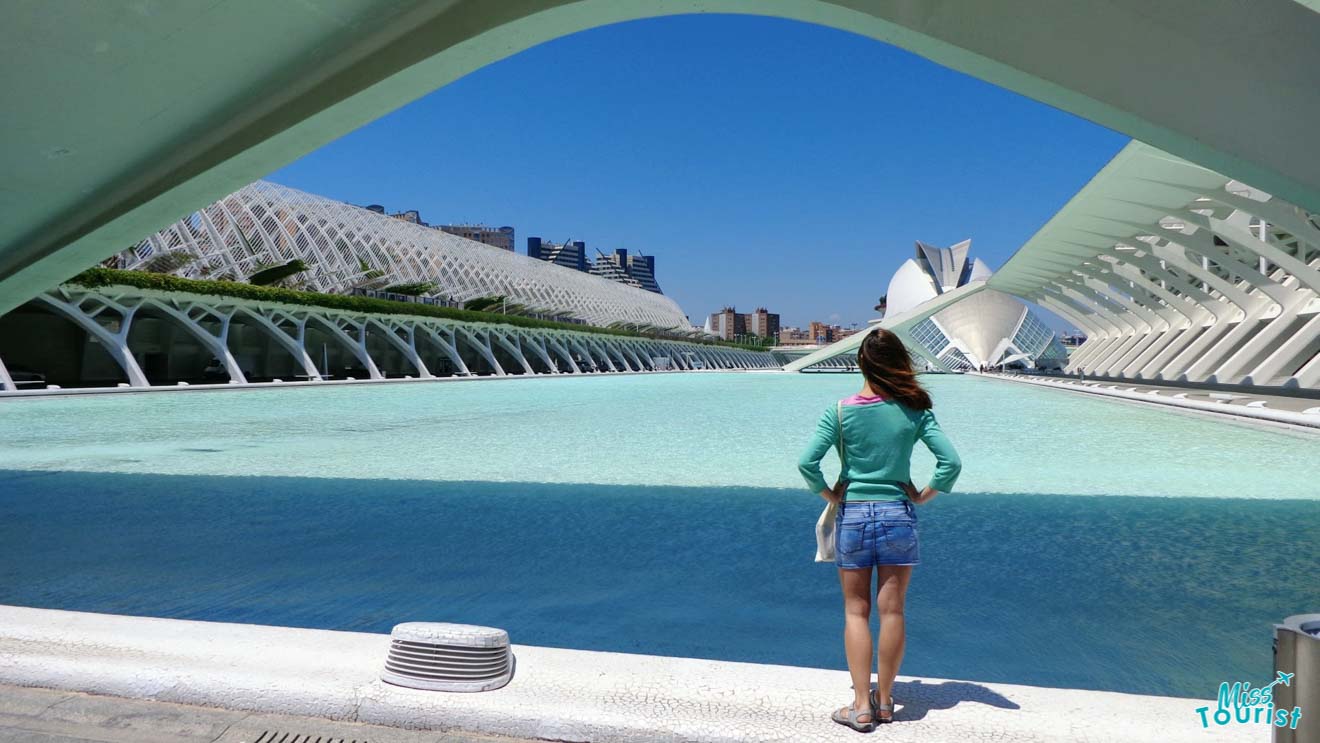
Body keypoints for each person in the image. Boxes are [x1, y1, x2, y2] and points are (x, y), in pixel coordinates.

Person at [797, 328, 962, 732]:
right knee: (893, 612)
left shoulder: (840, 411)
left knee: (856, 612)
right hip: (898, 515)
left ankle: (861, 705)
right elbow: (951, 463)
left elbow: (807, 463)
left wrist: (831, 497)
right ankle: (886, 702)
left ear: (861, 364)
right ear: (898, 362)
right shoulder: (915, 410)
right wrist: (923, 496)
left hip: (853, 514)